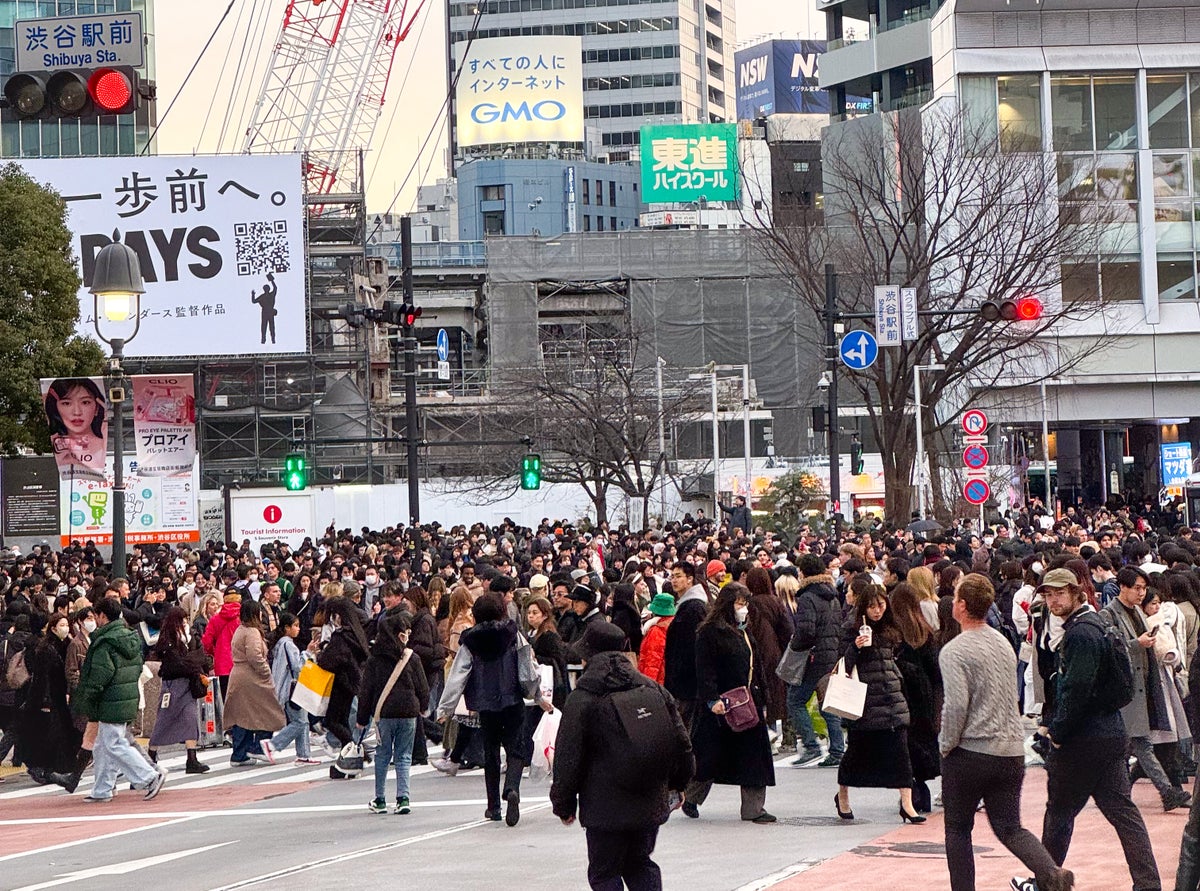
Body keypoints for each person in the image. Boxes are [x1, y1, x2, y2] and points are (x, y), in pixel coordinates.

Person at [939, 574, 1073, 891]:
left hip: (970, 751)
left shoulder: (954, 651)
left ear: (960, 605)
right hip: (1010, 750)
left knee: (957, 829)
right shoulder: (1002, 642)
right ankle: (1051, 874)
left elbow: (956, 705)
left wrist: (946, 744)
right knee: (1010, 826)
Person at [1037, 568, 1161, 891]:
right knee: (1123, 812)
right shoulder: (1098, 623)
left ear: (1076, 593)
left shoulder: (1081, 633)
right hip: (1109, 732)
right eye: (1048, 595)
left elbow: (1076, 690)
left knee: (1059, 814)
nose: (1053, 601)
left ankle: (1046, 881)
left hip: (1083, 739)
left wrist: (1058, 733)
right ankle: (1148, 883)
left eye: (1059, 593)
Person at [551, 621, 695, 891]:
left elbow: (568, 758)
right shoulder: (652, 689)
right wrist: (678, 783)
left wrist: (564, 804)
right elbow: (680, 742)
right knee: (640, 863)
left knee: (604, 873)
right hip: (650, 797)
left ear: (589, 655)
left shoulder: (583, 699)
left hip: (603, 805)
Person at [438, 593, 548, 825]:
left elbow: (459, 675)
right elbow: (527, 669)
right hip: (512, 699)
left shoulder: (470, 641)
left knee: (491, 753)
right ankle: (511, 789)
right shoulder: (512, 634)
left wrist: (446, 707)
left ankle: (493, 807)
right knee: (516, 748)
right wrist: (536, 695)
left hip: (484, 702)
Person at [1102, 566, 1191, 811]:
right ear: (1123, 587)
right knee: (1140, 743)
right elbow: (1110, 649)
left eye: (1143, 588)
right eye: (1137, 588)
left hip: (1142, 687)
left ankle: (1122, 791)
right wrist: (1136, 644)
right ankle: (1166, 791)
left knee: (1134, 744)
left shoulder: (1138, 614)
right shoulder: (1109, 614)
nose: (1141, 593)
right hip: (1125, 689)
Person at [687, 582, 777, 823]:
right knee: (711, 755)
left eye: (745, 604)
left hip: (748, 702)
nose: (744, 608)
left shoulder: (744, 631)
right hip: (722, 704)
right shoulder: (709, 632)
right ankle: (691, 797)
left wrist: (763, 698)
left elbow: (756, 666)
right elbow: (704, 669)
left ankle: (753, 808)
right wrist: (711, 699)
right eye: (739, 603)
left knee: (754, 756)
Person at [836, 579, 923, 823]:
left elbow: (893, 660)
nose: (877, 610)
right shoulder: (851, 630)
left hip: (892, 698)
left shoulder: (890, 630)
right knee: (855, 755)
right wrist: (856, 647)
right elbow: (842, 664)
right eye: (872, 606)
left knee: (901, 755)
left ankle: (907, 804)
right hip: (864, 702)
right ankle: (842, 796)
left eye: (881, 605)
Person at [71, 598, 167, 802]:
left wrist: (87, 695)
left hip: (110, 699)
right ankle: (102, 789)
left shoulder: (105, 641)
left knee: (113, 743)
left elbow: (100, 674)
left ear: (102, 616)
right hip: (125, 695)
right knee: (103, 745)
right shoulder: (129, 637)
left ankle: (149, 776)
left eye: (96, 615)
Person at [357, 614, 430, 815]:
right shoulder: (411, 658)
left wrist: (362, 718)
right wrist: (423, 707)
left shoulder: (375, 660)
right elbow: (422, 687)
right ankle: (403, 798)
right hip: (408, 711)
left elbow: (366, 690)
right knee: (404, 755)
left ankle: (380, 799)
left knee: (382, 755)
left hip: (384, 712)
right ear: (400, 635)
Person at [787, 554, 845, 768]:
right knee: (827, 702)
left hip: (812, 657)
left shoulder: (807, 597)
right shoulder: (833, 595)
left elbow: (806, 630)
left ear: (804, 572)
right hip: (830, 654)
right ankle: (837, 748)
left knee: (795, 700)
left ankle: (811, 746)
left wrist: (795, 647)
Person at [890, 581, 942, 813]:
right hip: (924, 696)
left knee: (904, 745)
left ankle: (912, 795)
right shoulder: (925, 630)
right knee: (922, 742)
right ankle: (921, 790)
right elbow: (935, 670)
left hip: (901, 696)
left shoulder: (894, 633)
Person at [16, 614, 80, 790]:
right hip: (50, 699)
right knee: (51, 735)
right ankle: (46, 770)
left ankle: (57, 769)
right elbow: (41, 679)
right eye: (62, 624)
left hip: (58, 699)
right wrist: (45, 700)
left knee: (59, 735)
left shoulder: (64, 645)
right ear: (53, 628)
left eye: (67, 624)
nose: (65, 628)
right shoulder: (46, 649)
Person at [311, 596, 370, 776]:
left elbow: (329, 661)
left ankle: (354, 750)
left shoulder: (340, 636)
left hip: (339, 683)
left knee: (332, 721)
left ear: (338, 615)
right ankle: (350, 758)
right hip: (351, 683)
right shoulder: (356, 633)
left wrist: (318, 653)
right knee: (342, 720)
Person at [147, 607, 210, 774]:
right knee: (163, 721)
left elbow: (201, 656)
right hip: (173, 684)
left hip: (189, 684)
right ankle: (151, 754)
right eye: (181, 620)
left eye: (185, 619)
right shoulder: (167, 639)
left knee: (190, 719)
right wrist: (193, 663)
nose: (184, 622)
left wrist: (192, 662)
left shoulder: (191, 636)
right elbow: (176, 663)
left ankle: (192, 758)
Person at [223, 600, 285, 766]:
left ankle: (240, 752)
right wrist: (266, 671)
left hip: (239, 674)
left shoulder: (240, 629)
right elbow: (255, 656)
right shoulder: (252, 632)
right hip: (253, 677)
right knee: (268, 710)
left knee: (242, 715)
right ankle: (259, 746)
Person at [261, 612, 320, 765]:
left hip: (287, 688)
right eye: (295, 626)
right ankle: (273, 744)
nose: (298, 629)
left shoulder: (281, 643)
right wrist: (307, 652)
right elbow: (297, 666)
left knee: (302, 720)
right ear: (286, 628)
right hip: (292, 688)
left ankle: (304, 754)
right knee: (299, 722)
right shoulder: (288, 644)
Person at [43, 377, 107, 475]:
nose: (77, 412)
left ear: (97, 407)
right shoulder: (56, 447)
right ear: (55, 408)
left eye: (85, 402)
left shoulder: (107, 445)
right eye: (66, 403)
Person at [201, 591, 242, 697]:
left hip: (222, 663)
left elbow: (206, 642)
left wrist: (215, 652)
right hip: (240, 663)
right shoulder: (242, 618)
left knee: (224, 697)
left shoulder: (215, 619)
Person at [638, 593, 676, 686]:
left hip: (658, 681)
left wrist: (648, 684)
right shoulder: (675, 625)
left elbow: (653, 660)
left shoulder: (656, 630)